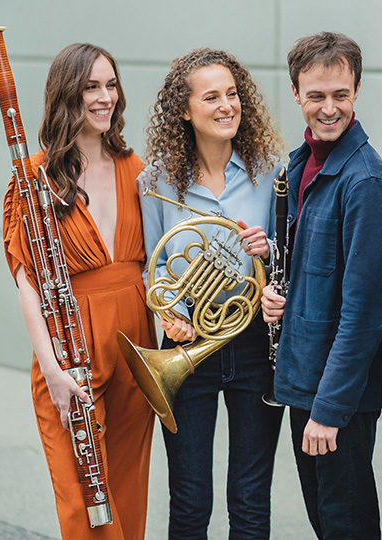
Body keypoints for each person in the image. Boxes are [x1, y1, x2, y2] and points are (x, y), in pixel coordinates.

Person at [3, 43, 155, 539]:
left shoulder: (138, 169)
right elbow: (27, 281)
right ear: (67, 94)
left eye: (111, 84)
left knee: (128, 492)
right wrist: (51, 369)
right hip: (68, 350)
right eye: (91, 85)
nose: (105, 96)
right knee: (84, 508)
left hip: (137, 342)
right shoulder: (34, 179)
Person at [140, 48, 285, 539]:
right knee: (189, 500)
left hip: (252, 346)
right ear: (184, 110)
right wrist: (171, 315)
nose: (227, 105)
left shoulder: (272, 172)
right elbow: (155, 265)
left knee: (249, 499)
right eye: (211, 97)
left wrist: (266, 252)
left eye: (232, 94)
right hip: (186, 345)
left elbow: (287, 259)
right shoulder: (157, 181)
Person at [260, 32, 382, 540]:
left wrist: (329, 410)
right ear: (295, 92)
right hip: (304, 379)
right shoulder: (299, 165)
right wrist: (280, 295)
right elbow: (311, 273)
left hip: (335, 395)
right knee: (326, 520)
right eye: (316, 95)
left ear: (357, 89)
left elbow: (365, 311)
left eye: (340, 94)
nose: (329, 107)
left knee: (346, 523)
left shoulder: (364, 181)